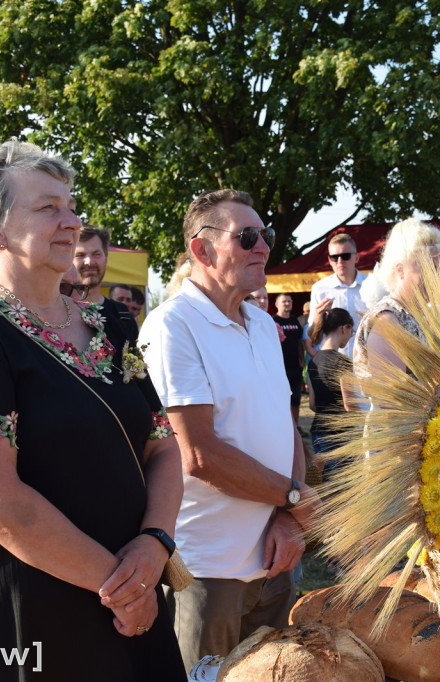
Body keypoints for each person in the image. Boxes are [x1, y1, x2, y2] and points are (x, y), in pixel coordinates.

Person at [0, 140, 186, 680]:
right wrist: (122, 584)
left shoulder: (112, 324)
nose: (71, 222)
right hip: (22, 608)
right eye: (47, 208)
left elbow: (163, 446)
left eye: (70, 206)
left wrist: (155, 545)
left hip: (130, 598)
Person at [139, 188, 319, 673]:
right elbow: (197, 454)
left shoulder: (262, 324)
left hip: (275, 556)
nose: (263, 246)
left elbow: (285, 423)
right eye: (247, 237)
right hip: (207, 569)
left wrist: (288, 516)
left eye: (267, 235)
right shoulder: (172, 325)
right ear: (201, 249)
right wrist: (298, 500)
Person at [354, 218, 440, 377]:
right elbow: (392, 397)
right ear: (400, 270)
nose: (436, 278)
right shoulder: (387, 319)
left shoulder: (414, 316)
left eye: (438, 270)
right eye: (427, 271)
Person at [306, 307, 356, 475]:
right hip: (339, 433)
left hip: (318, 430)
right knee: (341, 483)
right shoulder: (343, 362)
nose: (350, 336)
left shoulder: (313, 361)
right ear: (344, 328)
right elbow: (349, 405)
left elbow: (312, 404)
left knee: (322, 480)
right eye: (351, 331)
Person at [75, 224, 139, 340]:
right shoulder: (55, 314)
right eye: (80, 255)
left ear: (106, 259)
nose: (89, 262)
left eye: (96, 254)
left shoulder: (123, 317)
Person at [310, 233, 368, 357]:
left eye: (345, 256)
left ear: (356, 258)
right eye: (334, 257)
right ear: (329, 260)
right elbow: (313, 336)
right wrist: (318, 317)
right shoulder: (319, 288)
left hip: (367, 362)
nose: (340, 261)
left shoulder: (372, 285)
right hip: (333, 364)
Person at [272, 292, 305, 425]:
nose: (287, 303)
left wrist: (302, 359)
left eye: (289, 301)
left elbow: (299, 342)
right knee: (282, 399)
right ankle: (285, 425)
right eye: (284, 301)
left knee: (296, 399)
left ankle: (296, 426)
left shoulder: (295, 320)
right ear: (276, 304)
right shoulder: (273, 321)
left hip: (295, 367)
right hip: (280, 368)